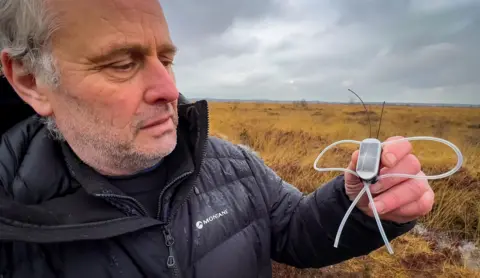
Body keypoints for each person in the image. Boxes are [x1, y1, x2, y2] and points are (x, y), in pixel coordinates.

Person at [0, 0, 434, 277]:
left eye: (165, 59)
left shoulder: (234, 165)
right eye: (120, 63)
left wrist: (357, 206)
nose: (170, 90)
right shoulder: (12, 226)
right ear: (31, 80)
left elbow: (297, 231)